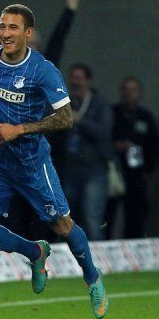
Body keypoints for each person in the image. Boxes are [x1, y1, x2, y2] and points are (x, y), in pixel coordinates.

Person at [0, 4, 108, 319]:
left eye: (13, 28)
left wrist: (21, 129)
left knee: (63, 225)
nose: (6, 33)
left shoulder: (42, 70)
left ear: (28, 34)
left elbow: (65, 117)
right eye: (2, 26)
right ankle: (35, 251)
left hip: (30, 163)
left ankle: (92, 277)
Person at [59, 63, 114, 241]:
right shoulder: (64, 102)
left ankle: (99, 260)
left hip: (94, 170)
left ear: (88, 81)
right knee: (66, 217)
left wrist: (80, 120)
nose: (75, 82)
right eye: (72, 77)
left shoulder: (100, 103)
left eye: (79, 78)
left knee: (92, 217)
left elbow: (104, 132)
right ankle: (69, 258)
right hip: (71, 169)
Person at [106, 77, 158, 239]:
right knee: (108, 213)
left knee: (136, 214)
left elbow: (153, 145)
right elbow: (103, 139)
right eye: (125, 89)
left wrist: (149, 170)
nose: (129, 93)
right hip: (114, 171)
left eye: (133, 89)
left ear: (139, 93)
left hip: (137, 173)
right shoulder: (112, 113)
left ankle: (133, 246)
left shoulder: (145, 116)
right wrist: (117, 145)